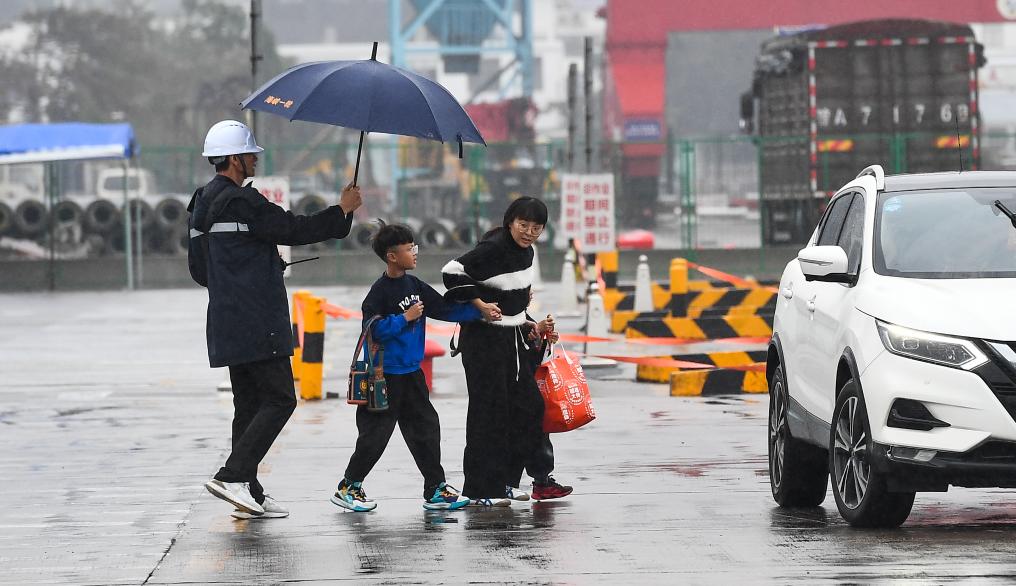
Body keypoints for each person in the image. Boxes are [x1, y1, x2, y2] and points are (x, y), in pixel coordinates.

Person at [189, 120, 362, 519]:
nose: (254, 160)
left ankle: (247, 490)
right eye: (250, 154)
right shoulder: (244, 201)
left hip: (226, 318)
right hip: (258, 317)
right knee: (281, 398)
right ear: (234, 159)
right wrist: (343, 210)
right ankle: (233, 476)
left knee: (247, 405)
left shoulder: (199, 201)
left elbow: (200, 271)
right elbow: (294, 229)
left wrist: (244, 266)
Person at [331, 222, 500, 512]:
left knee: (426, 429)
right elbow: (372, 330)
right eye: (409, 249)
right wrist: (405, 318)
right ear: (392, 256)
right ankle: (349, 487)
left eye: (414, 247)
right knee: (375, 436)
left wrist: (479, 310)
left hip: (412, 374)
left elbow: (443, 308)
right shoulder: (379, 293)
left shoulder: (415, 285)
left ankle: (435, 489)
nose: (415, 253)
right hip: (385, 377)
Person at [441, 196, 550, 506]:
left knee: (528, 409)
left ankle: (507, 481)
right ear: (509, 222)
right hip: (483, 340)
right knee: (489, 414)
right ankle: (479, 489)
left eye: (536, 227)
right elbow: (451, 272)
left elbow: (517, 298)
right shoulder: (493, 249)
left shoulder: (527, 253)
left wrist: (534, 325)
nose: (529, 232)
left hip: (514, 339)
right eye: (523, 225)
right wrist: (480, 305)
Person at [517, 313, 575, 501]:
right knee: (531, 428)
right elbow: (513, 342)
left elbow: (531, 350)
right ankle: (533, 481)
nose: (530, 294)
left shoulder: (520, 311)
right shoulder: (506, 307)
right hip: (518, 379)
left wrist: (545, 339)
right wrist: (535, 330)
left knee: (537, 428)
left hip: (527, 376)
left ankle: (541, 481)